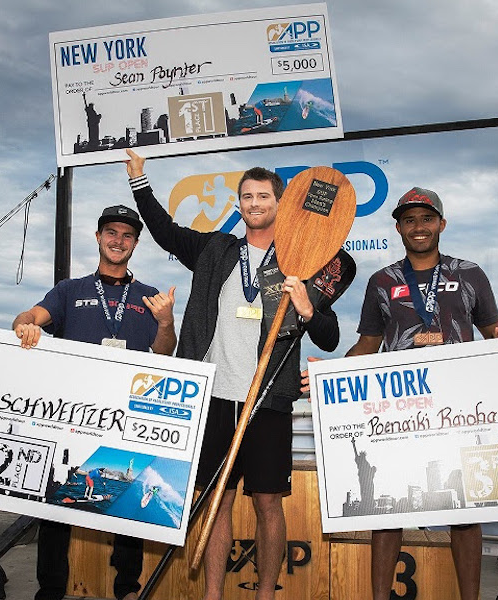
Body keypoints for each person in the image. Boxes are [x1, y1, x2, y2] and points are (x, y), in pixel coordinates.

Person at [124, 149, 340, 600]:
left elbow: (329, 337)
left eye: (263, 196)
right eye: (246, 196)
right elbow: (165, 232)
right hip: (214, 396)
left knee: (267, 504)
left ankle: (265, 594)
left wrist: (305, 306)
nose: (254, 203)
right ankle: (213, 595)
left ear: (280, 204)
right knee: (214, 501)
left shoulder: (302, 262)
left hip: (268, 400)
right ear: (238, 205)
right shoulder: (215, 250)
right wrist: (139, 181)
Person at [305, 187, 498, 600]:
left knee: (464, 510)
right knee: (387, 511)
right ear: (398, 228)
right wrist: (331, 374)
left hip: (459, 409)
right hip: (399, 411)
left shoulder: (470, 273)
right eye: (410, 221)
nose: (419, 227)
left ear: (441, 224)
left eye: (427, 219)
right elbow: (369, 345)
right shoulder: (382, 281)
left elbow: (492, 331)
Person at [12, 204, 175, 600]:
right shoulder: (70, 290)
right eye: (111, 233)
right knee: (56, 505)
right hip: (72, 414)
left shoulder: (150, 296)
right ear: (99, 237)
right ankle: (49, 590)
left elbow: (165, 352)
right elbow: (30, 314)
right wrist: (24, 324)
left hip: (128, 414)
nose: (118, 241)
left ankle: (127, 589)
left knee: (128, 503)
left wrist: (167, 322)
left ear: (135, 243)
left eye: (127, 235)